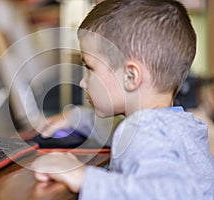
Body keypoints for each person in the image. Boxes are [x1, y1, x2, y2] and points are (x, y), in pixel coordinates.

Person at [31, 0, 214, 199]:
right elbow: (114, 131)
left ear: (130, 76)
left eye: (90, 68)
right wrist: (76, 118)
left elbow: (171, 194)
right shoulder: (176, 125)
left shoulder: (146, 133)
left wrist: (82, 176)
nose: (83, 82)